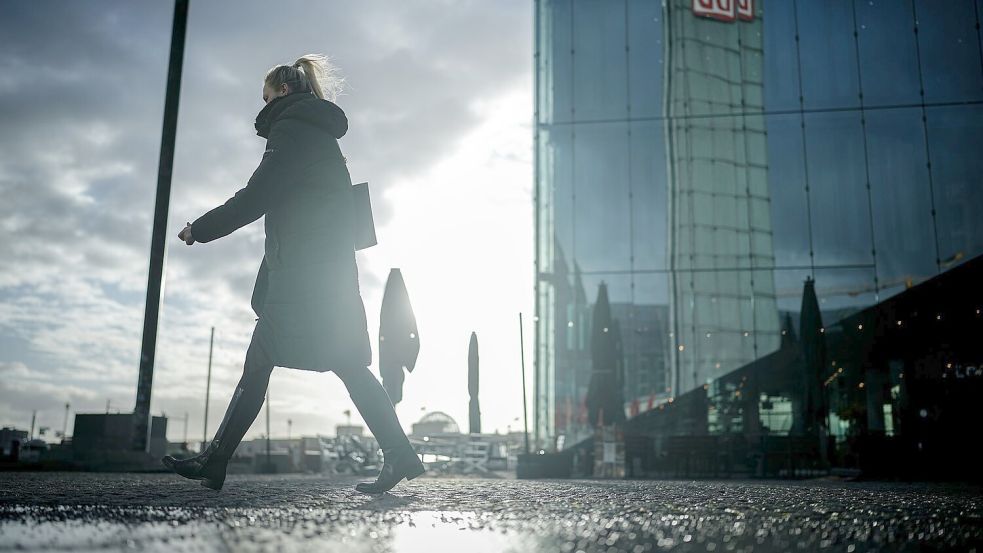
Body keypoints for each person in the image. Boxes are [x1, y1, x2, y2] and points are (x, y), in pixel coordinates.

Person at [162, 54, 424, 494]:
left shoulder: (292, 130)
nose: (261, 108)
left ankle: (215, 461)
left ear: (282, 93)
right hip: (330, 274)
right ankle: (399, 455)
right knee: (348, 364)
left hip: (304, 277)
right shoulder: (320, 135)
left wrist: (200, 229)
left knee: (262, 359)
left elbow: (256, 196)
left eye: (265, 97)